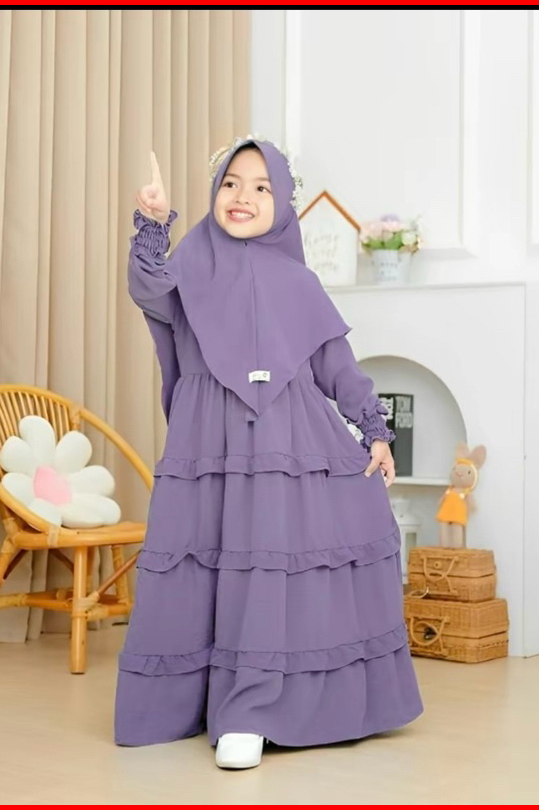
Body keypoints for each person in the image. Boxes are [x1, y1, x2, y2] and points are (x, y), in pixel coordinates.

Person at [114, 136, 423, 769]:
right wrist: (153, 223)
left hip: (287, 443)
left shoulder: (298, 281)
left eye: (261, 187)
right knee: (202, 565)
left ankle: (251, 711)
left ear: (282, 201)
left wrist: (374, 429)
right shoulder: (188, 262)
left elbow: (335, 362)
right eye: (231, 183)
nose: (243, 197)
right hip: (210, 444)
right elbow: (148, 289)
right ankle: (194, 702)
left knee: (266, 568)